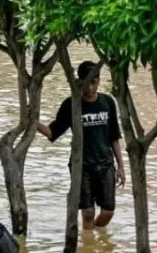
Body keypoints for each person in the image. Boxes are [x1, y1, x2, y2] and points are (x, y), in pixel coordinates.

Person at [38, 61, 125, 230]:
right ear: (80, 81)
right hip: (82, 166)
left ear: (99, 80)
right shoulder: (72, 104)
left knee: (108, 211)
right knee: (87, 213)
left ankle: (96, 239)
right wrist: (32, 121)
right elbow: (51, 132)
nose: (91, 87)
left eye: (95, 81)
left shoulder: (108, 102)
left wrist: (120, 166)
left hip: (106, 164)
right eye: (88, 82)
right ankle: (88, 245)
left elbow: (114, 137)